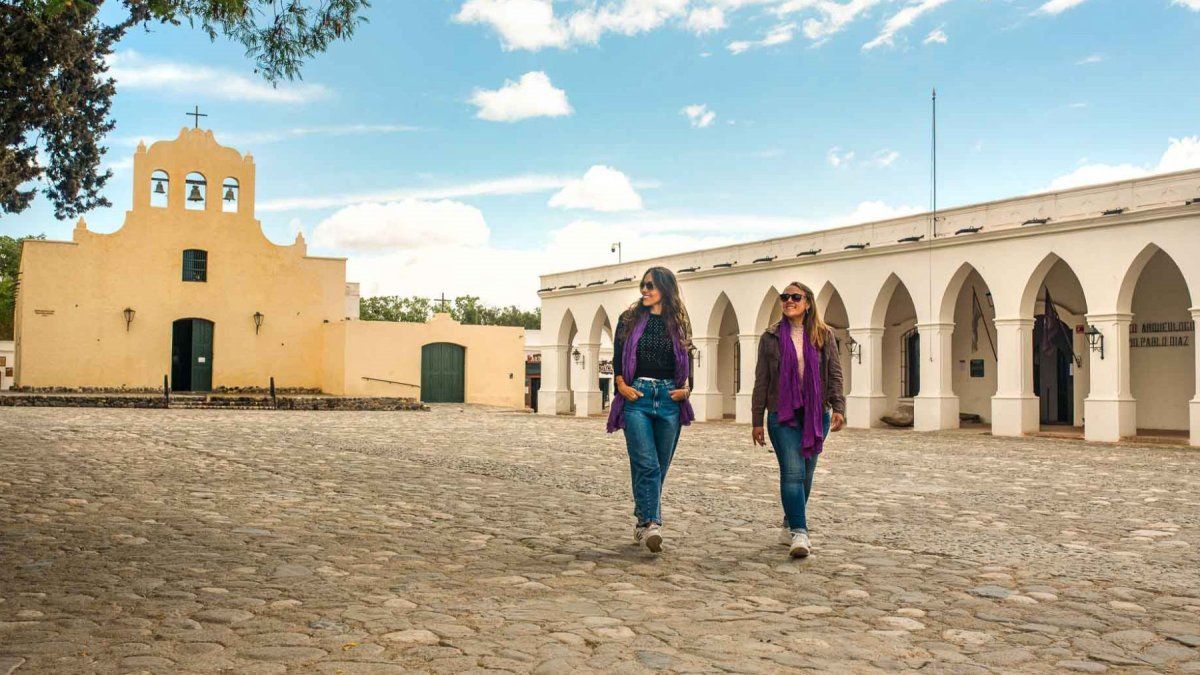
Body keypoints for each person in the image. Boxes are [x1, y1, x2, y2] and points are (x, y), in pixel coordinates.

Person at [751, 282, 846, 558]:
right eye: (785, 297)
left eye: (795, 297)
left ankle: (789, 522)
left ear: (807, 303)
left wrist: (838, 405)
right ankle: (800, 532)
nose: (788, 301)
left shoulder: (823, 334)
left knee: (806, 474)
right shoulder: (770, 337)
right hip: (782, 414)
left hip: (817, 414)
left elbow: (835, 372)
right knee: (792, 472)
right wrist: (757, 419)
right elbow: (761, 381)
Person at [606, 266, 695, 553]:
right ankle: (653, 523)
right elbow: (619, 355)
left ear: (665, 290)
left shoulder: (678, 322)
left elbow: (688, 354)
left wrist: (688, 387)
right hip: (637, 397)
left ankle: (642, 521)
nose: (644, 290)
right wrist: (620, 383)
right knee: (647, 464)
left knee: (658, 467)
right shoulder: (629, 319)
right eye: (643, 286)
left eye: (650, 286)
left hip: (669, 397)